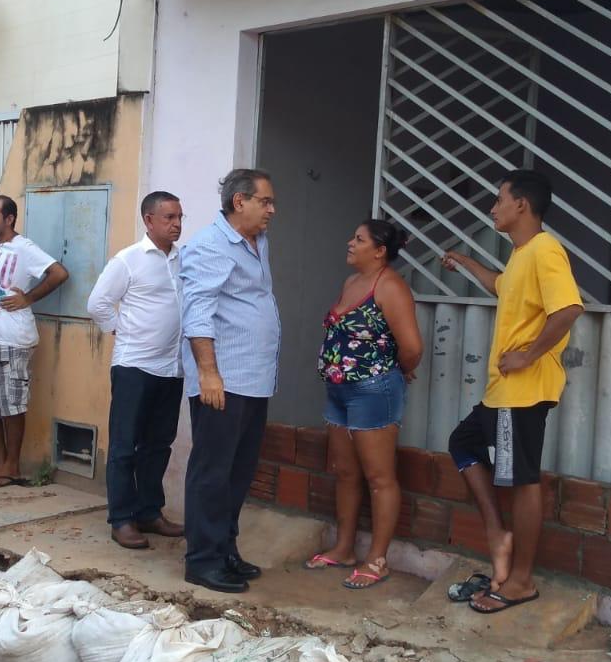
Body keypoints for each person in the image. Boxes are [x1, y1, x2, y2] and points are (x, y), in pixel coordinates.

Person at [441, 169, 583, 615]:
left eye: (499, 199)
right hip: (502, 392)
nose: (493, 207)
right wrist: (465, 261)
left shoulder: (545, 250)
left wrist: (528, 355)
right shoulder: (522, 255)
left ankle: (521, 581)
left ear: (521, 205)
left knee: (523, 482)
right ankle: (497, 534)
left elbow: (569, 308)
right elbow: (500, 285)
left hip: (522, 391)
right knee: (462, 443)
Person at [179, 169, 281, 594]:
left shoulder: (257, 243)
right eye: (265, 201)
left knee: (238, 472)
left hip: (254, 379)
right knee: (212, 471)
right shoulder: (209, 246)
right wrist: (208, 373)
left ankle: (225, 550)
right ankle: (202, 561)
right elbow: (197, 313)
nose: (272, 210)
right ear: (240, 202)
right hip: (223, 381)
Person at [305, 220, 422, 589]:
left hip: (373, 391)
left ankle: (377, 559)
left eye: (359, 239)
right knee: (346, 473)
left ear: (380, 250)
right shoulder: (351, 282)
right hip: (339, 391)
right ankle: (343, 548)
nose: (350, 243)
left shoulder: (390, 286)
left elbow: (413, 347)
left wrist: (399, 370)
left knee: (379, 477)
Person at [87, 191, 187, 550]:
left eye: (179, 217)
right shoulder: (128, 260)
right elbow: (97, 302)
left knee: (158, 444)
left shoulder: (183, 260)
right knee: (125, 445)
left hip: (171, 367)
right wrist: (121, 330)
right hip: (134, 367)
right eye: (169, 217)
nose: (176, 224)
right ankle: (122, 518)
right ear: (148, 220)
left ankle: (149, 511)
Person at [0, 195, 68, 488]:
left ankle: (11, 465)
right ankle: (0, 463)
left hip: (12, 338)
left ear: (9, 219)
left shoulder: (24, 248)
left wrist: (28, 298)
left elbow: (59, 273)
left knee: (11, 404)